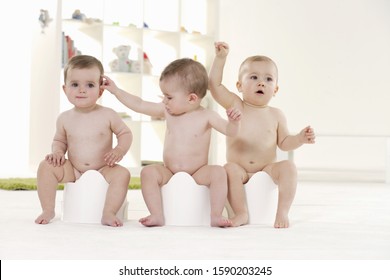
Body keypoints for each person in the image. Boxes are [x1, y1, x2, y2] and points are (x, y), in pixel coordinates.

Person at [103, 58, 242, 227]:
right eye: (164, 96)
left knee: (219, 172)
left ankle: (215, 215)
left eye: (169, 97)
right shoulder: (167, 111)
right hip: (169, 171)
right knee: (148, 173)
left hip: (197, 173)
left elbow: (230, 132)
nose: (164, 101)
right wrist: (116, 91)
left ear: (191, 98)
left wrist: (234, 122)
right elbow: (139, 104)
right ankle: (157, 214)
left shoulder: (208, 116)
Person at [209, 42, 316, 228]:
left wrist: (299, 139)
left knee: (289, 167)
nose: (261, 82)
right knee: (229, 169)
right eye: (253, 77)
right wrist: (220, 58)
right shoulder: (236, 104)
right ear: (239, 85)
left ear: (275, 90)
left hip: (267, 170)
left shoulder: (276, 115)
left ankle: (282, 212)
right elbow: (214, 86)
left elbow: (284, 142)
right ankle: (240, 212)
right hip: (240, 170)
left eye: (268, 79)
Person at [35, 55, 133, 227]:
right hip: (74, 170)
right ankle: (48, 209)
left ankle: (109, 212)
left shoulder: (107, 114)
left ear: (100, 91)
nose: (82, 90)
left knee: (123, 174)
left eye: (89, 85)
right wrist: (57, 152)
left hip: (104, 169)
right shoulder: (64, 118)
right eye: (75, 85)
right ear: (65, 89)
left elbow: (125, 133)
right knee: (45, 166)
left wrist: (119, 150)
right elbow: (59, 140)